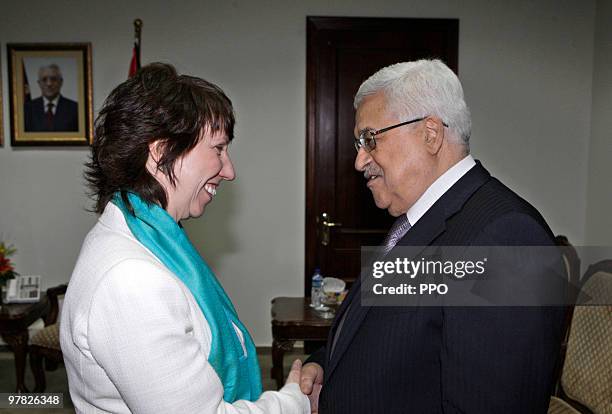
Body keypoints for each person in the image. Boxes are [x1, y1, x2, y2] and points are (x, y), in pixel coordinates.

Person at [299, 59, 565, 413]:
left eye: (370, 139)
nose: (359, 161)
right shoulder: (418, 219)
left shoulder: (506, 239)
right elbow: (393, 335)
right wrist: (325, 364)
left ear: (430, 133)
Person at [60, 63, 309, 414]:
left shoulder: (144, 237)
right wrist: (292, 402)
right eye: (218, 149)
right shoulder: (131, 279)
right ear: (161, 154)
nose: (230, 170)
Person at [24, 63, 79, 132]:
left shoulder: (75, 109)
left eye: (53, 79)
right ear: (39, 83)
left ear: (61, 82)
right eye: (44, 79)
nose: (49, 84)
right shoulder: (27, 109)